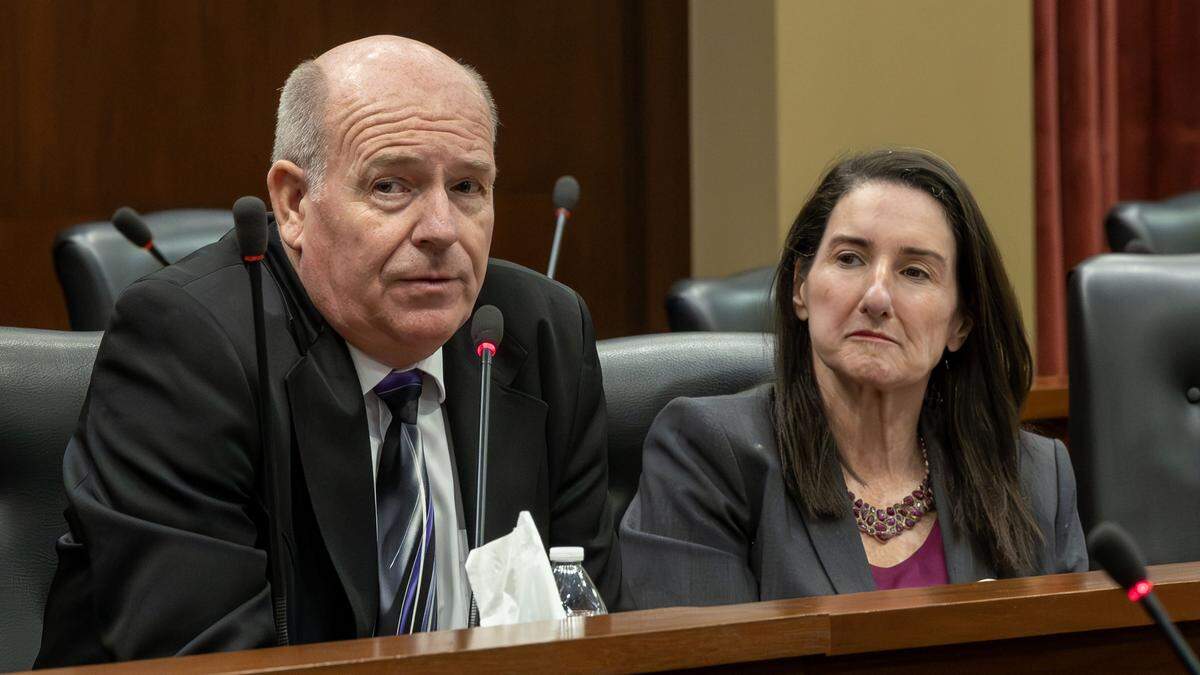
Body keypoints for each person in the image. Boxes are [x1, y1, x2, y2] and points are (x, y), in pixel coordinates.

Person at [37, 36, 620, 665]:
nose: (441, 229)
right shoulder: (188, 346)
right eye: (391, 185)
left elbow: (599, 636)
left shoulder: (542, 333)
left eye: (467, 186)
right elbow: (207, 658)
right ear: (294, 203)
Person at [620, 148, 1086, 609]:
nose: (876, 297)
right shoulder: (707, 456)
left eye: (914, 272)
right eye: (849, 259)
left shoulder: (1031, 477)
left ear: (960, 323)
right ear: (800, 287)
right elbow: (707, 650)